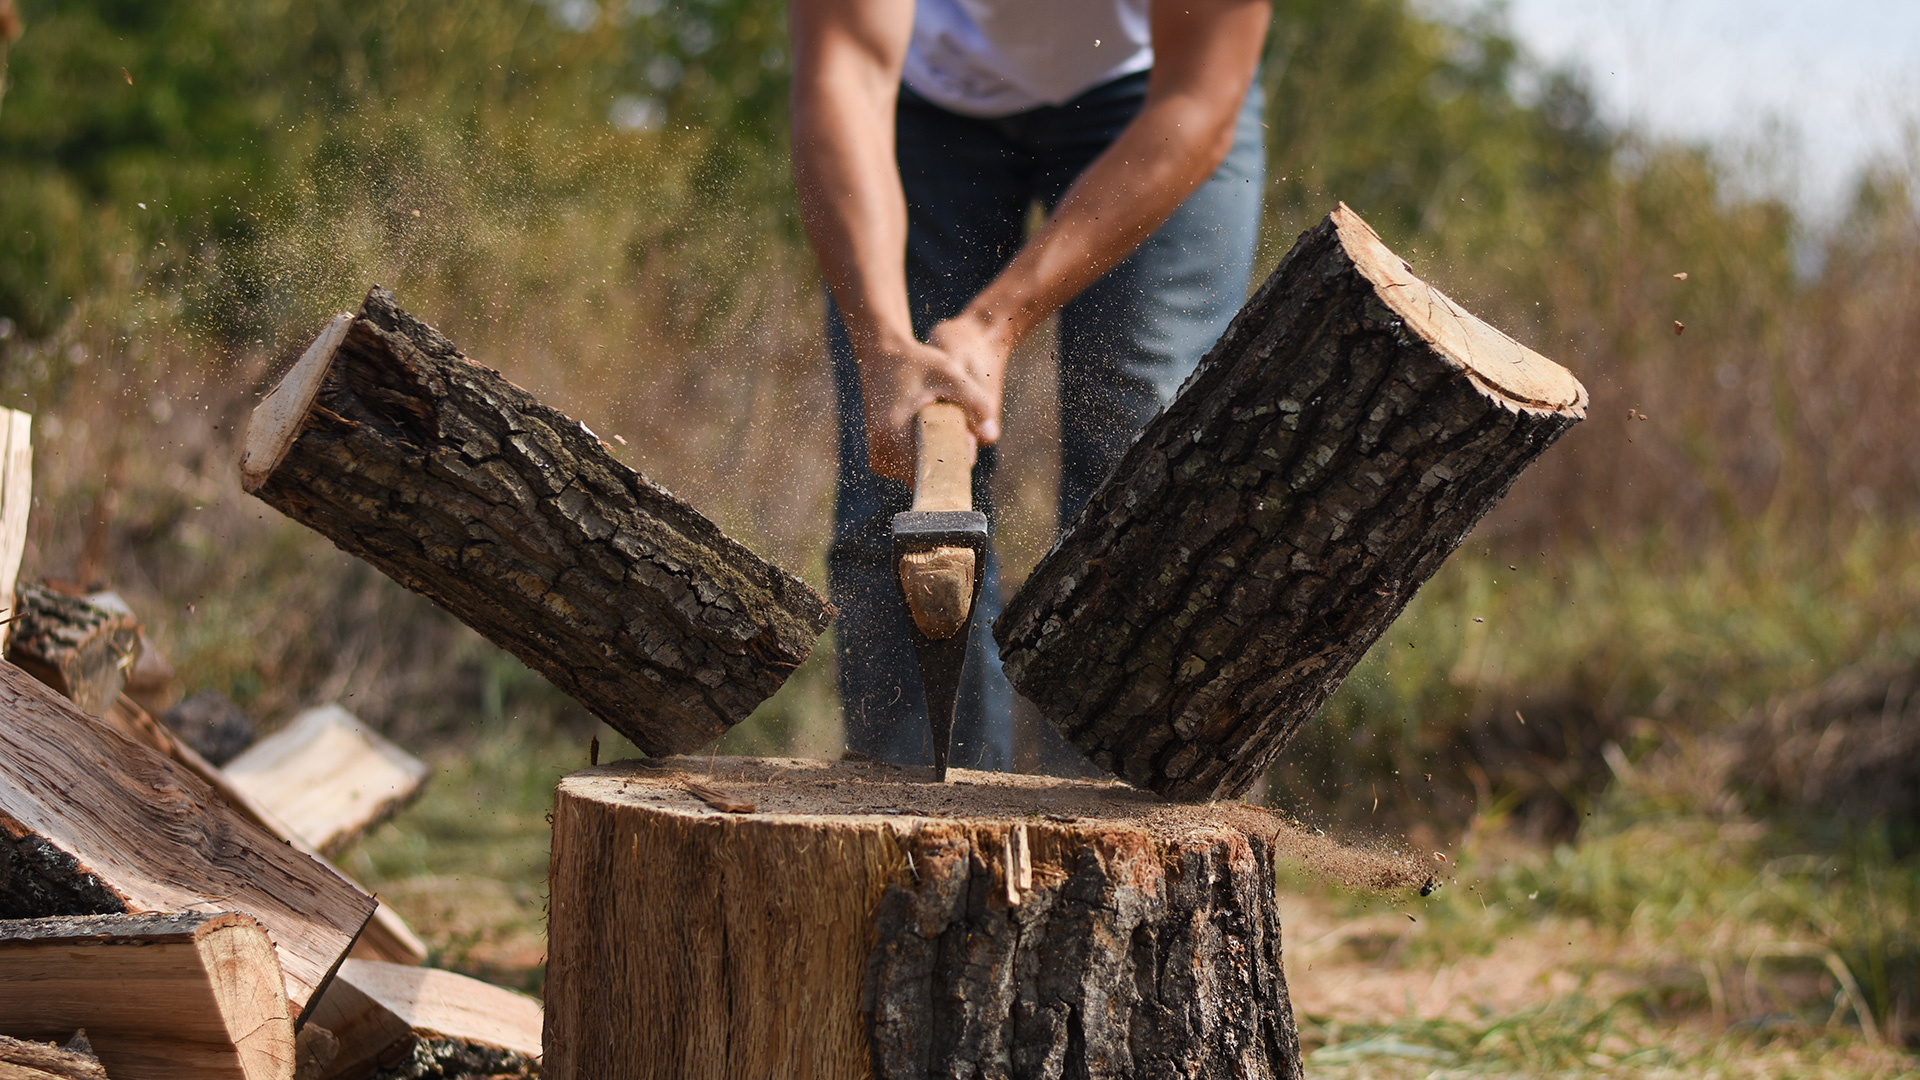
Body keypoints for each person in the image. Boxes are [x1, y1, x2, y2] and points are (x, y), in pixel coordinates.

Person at [790, 0, 1270, 770]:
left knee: (1139, 449)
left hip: (1155, 96)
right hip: (920, 99)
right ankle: (913, 824)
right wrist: (884, 347)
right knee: (896, 470)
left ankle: (1110, 835)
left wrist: (996, 322)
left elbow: (1199, 99)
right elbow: (842, 70)